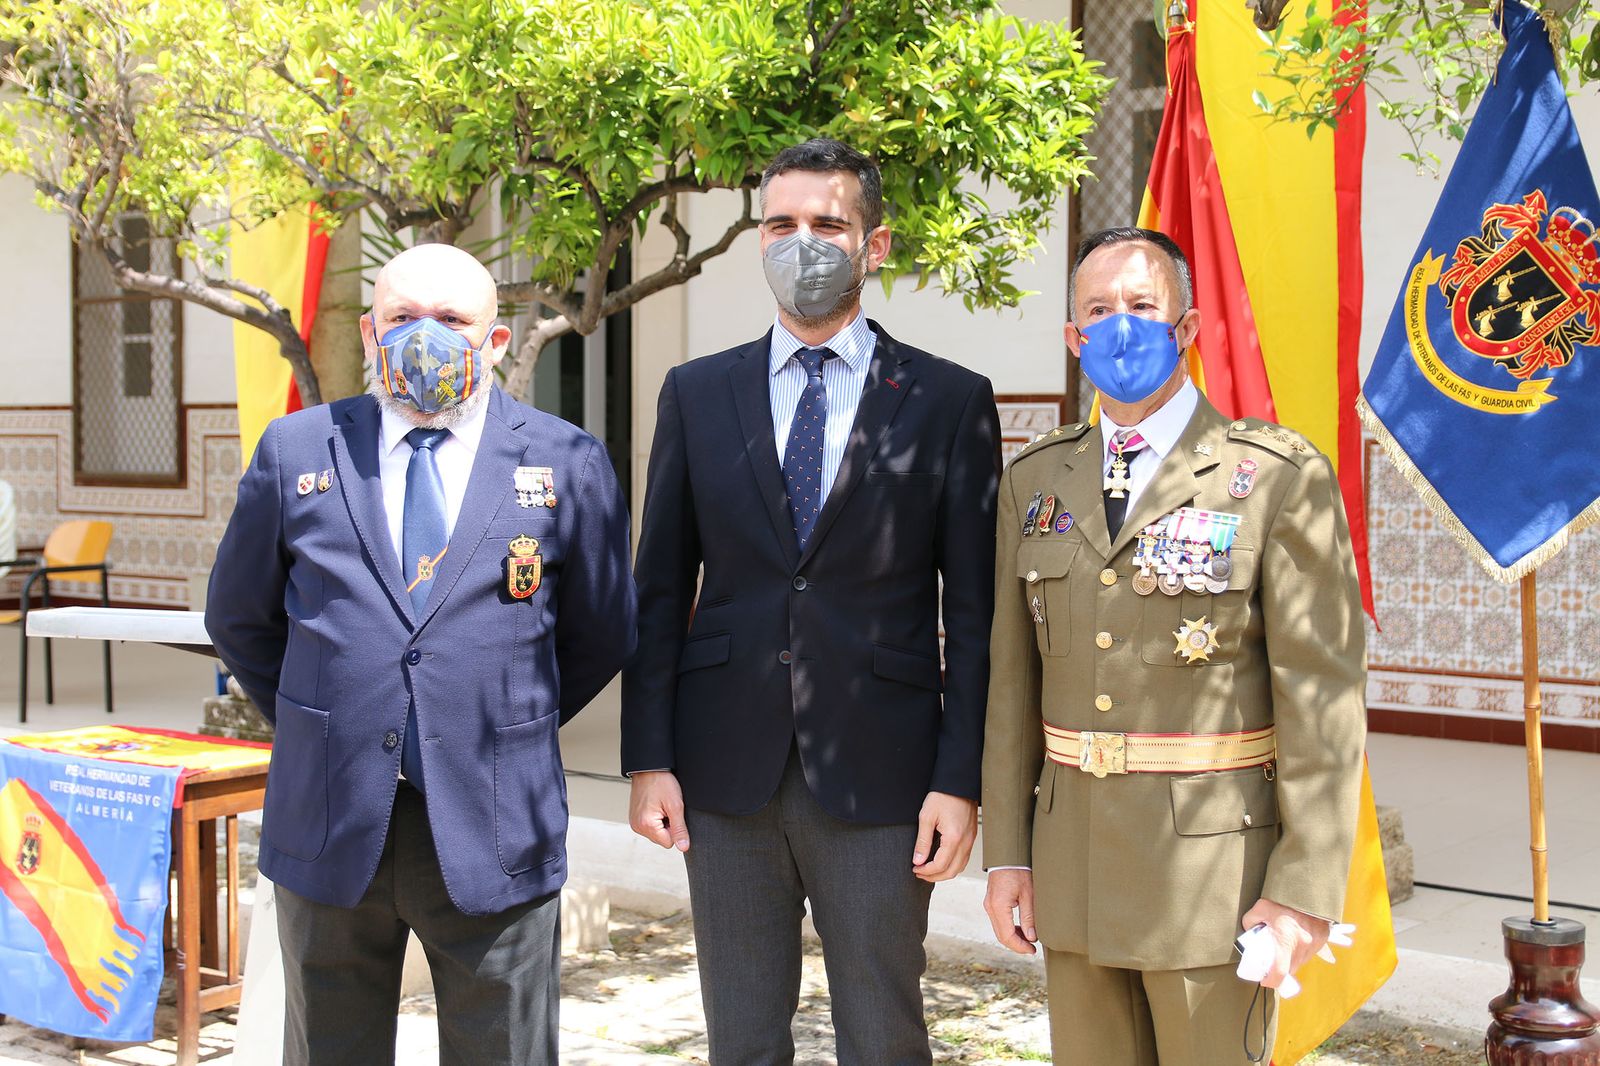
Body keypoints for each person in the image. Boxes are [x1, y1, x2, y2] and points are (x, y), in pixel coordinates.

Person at [206, 243, 636, 1066]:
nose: (424, 338)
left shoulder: (566, 460)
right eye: (403, 319)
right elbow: (242, 619)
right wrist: (328, 711)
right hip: (332, 819)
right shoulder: (297, 450)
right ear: (369, 332)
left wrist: (502, 716)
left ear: (498, 341)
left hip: (495, 821)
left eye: (451, 321)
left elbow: (602, 629)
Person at [621, 137, 1001, 1065]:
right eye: (782, 224)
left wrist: (961, 779)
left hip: (883, 774)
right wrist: (648, 757)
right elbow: (660, 586)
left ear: (874, 245)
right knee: (742, 1036)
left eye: (828, 223)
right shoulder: (695, 392)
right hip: (724, 773)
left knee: (882, 1033)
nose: (805, 243)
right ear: (758, 241)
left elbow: (977, 614)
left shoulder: (951, 401)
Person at [981, 227, 1366, 1065]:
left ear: (1186, 329)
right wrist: (1007, 857)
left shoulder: (1274, 477)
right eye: (1098, 311)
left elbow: (1322, 700)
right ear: (1074, 340)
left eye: (1142, 306)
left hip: (1212, 876)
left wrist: (1302, 890)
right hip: (1072, 863)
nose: (1121, 326)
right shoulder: (1035, 480)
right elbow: (1009, 687)